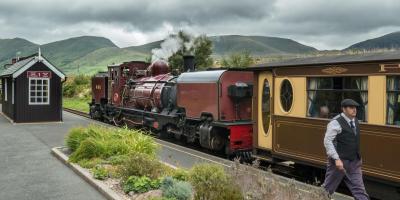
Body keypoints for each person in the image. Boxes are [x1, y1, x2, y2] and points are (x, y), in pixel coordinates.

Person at [322, 99, 369, 200]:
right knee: (327, 190)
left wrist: (358, 157)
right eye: (351, 107)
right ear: (343, 109)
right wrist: (336, 159)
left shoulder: (355, 120)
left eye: (355, 107)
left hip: (354, 163)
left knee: (360, 191)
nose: (354, 110)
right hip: (338, 163)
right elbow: (327, 141)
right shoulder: (335, 122)